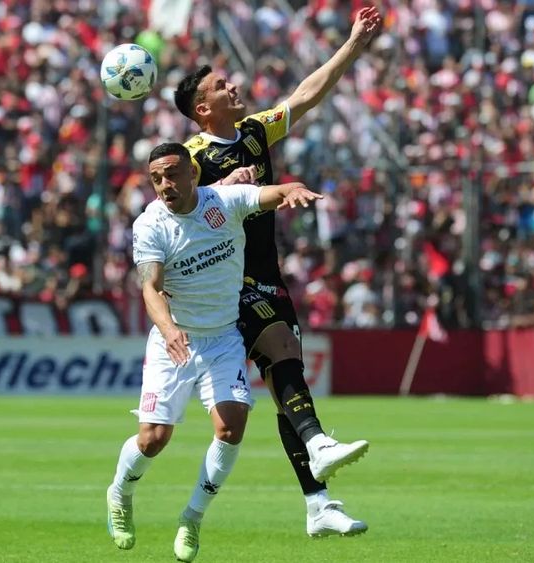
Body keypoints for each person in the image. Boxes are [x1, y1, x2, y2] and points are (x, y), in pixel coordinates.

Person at [174, 5, 385, 538]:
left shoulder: (251, 132)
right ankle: (318, 445)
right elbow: (171, 207)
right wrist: (223, 191)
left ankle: (318, 504)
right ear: (204, 108)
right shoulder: (191, 158)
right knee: (284, 355)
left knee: (285, 379)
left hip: (269, 275)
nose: (234, 86)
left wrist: (354, 44)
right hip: (227, 282)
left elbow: (306, 95)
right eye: (223, 85)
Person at [107, 142, 324, 562]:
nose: (164, 185)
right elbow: (149, 288)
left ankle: (192, 518)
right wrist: (168, 329)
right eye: (156, 179)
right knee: (154, 439)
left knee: (230, 427)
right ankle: (120, 491)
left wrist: (290, 188)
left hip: (224, 337)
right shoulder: (150, 224)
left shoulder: (221, 202)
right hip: (176, 339)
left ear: (192, 172)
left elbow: (267, 194)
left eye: (171, 174)